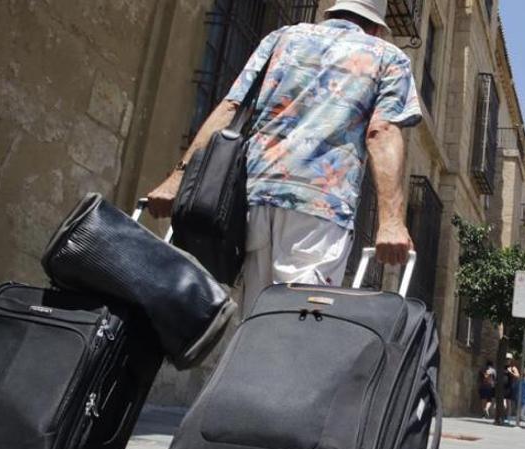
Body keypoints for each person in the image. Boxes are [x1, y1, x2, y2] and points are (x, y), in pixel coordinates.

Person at [146, 0, 422, 315]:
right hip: (319, 209)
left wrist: (177, 179)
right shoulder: (388, 57)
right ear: (375, 27)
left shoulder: (282, 38)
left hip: (253, 199)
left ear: (329, 14)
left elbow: (231, 108)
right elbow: (381, 131)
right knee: (295, 329)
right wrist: (390, 222)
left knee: (254, 317)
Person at [503, 353, 520, 424]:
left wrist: (511, 373)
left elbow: (518, 376)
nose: (507, 360)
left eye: (509, 359)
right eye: (506, 359)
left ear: (511, 360)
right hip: (502, 386)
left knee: (508, 403)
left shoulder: (513, 368)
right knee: (503, 403)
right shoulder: (502, 366)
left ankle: (507, 418)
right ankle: (502, 416)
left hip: (509, 387)